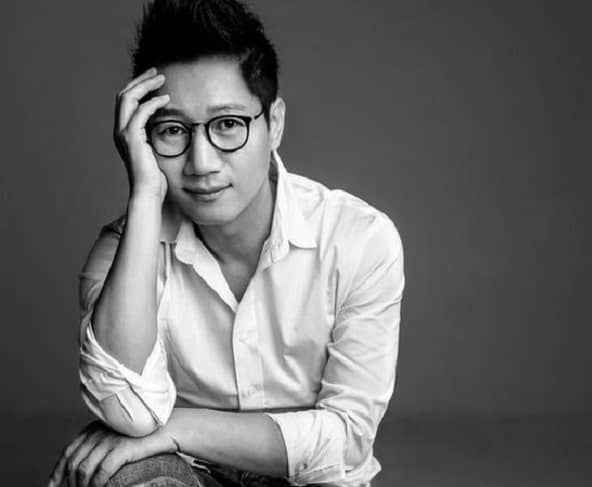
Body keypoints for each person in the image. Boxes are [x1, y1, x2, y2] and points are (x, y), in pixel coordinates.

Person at [48, 0, 404, 486]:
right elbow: (127, 411)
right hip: (192, 472)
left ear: (274, 124)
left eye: (228, 125)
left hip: (311, 480)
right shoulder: (123, 250)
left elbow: (347, 438)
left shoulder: (358, 239)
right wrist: (146, 194)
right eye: (172, 130)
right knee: (120, 474)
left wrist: (177, 428)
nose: (201, 163)